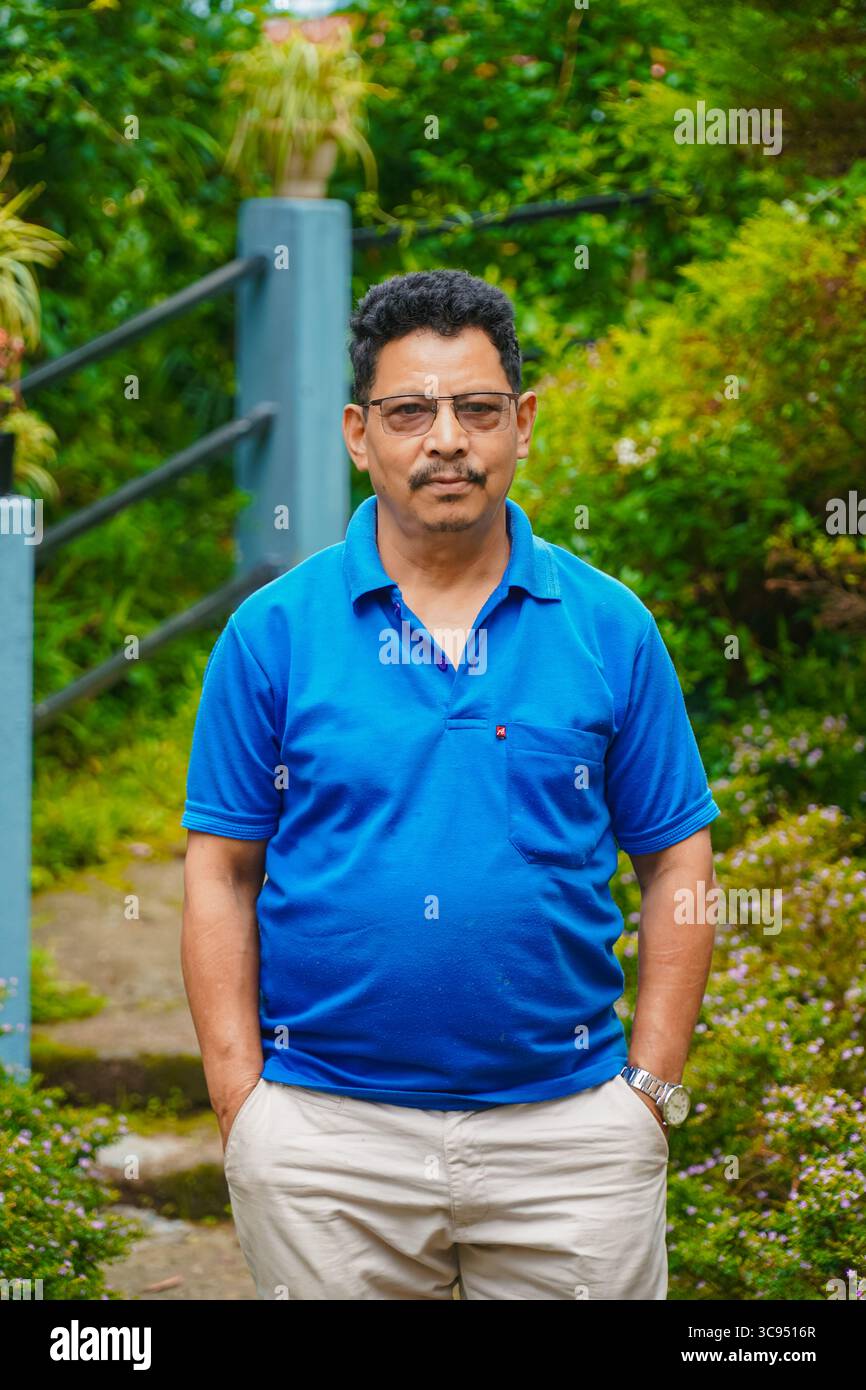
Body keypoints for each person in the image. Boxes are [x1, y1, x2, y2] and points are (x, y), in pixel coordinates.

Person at [180, 268, 721, 1301]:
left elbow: (674, 855)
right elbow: (221, 868)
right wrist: (240, 1097)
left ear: (519, 423)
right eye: (408, 411)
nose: (445, 439)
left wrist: (646, 1090)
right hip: (325, 1141)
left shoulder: (607, 626)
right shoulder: (272, 634)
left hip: (568, 1140)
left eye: (475, 409)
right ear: (356, 432)